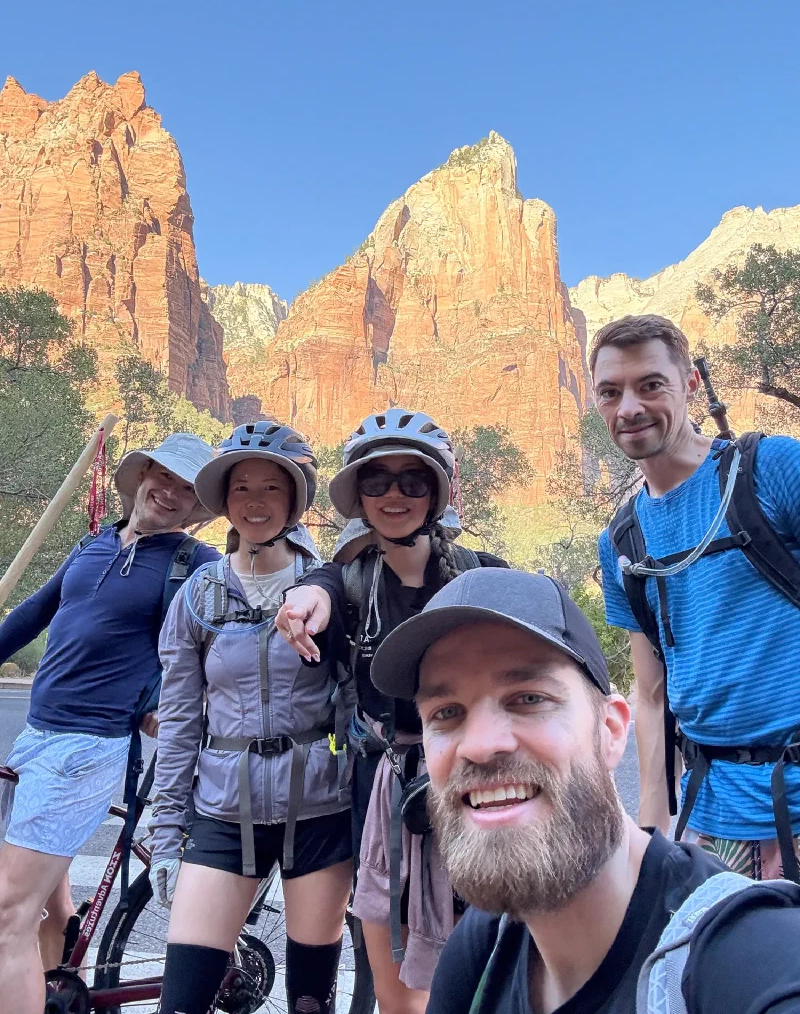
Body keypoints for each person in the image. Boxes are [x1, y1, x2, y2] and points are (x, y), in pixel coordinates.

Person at [368, 566, 800, 1014]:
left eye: (528, 698)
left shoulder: (742, 957)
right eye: (446, 712)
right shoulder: (481, 952)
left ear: (611, 729)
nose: (479, 745)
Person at [276, 408, 508, 1014]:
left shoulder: (484, 578)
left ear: (439, 491)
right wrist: (306, 596)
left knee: (488, 940)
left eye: (414, 480)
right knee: (384, 954)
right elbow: (317, 588)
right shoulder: (345, 586)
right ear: (359, 495)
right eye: (377, 481)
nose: (394, 494)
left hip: (476, 783)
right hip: (379, 784)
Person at [0, 433, 220, 1014]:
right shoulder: (92, 544)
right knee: (46, 909)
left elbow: (224, 642)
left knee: (6, 915)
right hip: (37, 737)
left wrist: (168, 706)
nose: (169, 493)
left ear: (197, 510)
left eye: (186, 489)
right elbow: (31, 616)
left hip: (90, 750)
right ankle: (54, 993)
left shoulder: (195, 565)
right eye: (163, 477)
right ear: (141, 475)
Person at [149, 421, 353, 1014]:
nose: (256, 502)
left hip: (319, 811)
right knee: (181, 999)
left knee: (310, 1001)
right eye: (242, 488)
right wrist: (166, 837)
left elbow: (355, 707)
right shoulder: (198, 596)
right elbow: (182, 720)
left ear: (294, 500)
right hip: (221, 814)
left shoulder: (331, 588)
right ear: (224, 499)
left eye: (272, 487)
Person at [590, 314, 800, 879]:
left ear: (691, 385)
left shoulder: (773, 470)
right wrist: (654, 823)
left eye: (650, 384)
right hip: (711, 817)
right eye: (611, 392)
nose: (629, 407)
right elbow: (651, 692)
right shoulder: (622, 541)